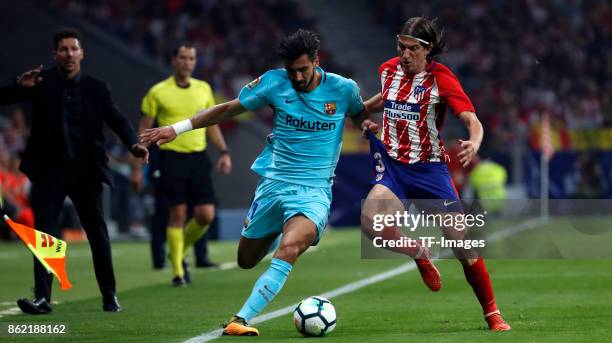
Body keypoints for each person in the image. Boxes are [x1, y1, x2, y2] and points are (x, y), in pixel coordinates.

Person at [140, 29, 364, 336]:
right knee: (246, 260)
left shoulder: (343, 89)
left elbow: (361, 113)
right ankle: (277, 228)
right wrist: (177, 129)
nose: (297, 77)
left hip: (313, 191)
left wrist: (372, 123)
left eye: (303, 69)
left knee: (290, 248)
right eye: (291, 71)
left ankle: (240, 319)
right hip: (273, 185)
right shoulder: (274, 82)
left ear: (316, 61)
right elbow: (229, 108)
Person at [358, 17, 511, 331]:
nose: (405, 54)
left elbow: (472, 119)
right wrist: (363, 119)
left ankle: (492, 313)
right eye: (401, 46)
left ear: (427, 50)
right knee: (370, 222)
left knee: (462, 246)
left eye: (413, 49)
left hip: (430, 172)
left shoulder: (442, 78)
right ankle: (418, 252)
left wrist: (475, 142)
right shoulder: (387, 70)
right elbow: (377, 103)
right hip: (394, 169)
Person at [0, 28, 149, 314]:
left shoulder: (97, 87)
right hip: (48, 172)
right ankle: (43, 299)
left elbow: (116, 119)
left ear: (82, 53)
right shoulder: (39, 83)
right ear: (54, 54)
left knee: (97, 233)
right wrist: (18, 86)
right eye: (63, 49)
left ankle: (109, 295)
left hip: (85, 172)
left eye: (73, 48)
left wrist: (134, 144)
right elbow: (3, 98)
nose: (69, 54)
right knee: (44, 235)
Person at [136, 43, 231, 286]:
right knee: (176, 215)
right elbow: (144, 127)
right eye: (183, 57)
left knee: (206, 215)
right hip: (170, 158)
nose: (187, 62)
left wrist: (223, 151)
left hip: (198, 157)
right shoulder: (158, 91)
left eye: (191, 58)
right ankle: (178, 271)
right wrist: (139, 160)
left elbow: (212, 123)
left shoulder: (204, 89)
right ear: (174, 60)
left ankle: (178, 250)